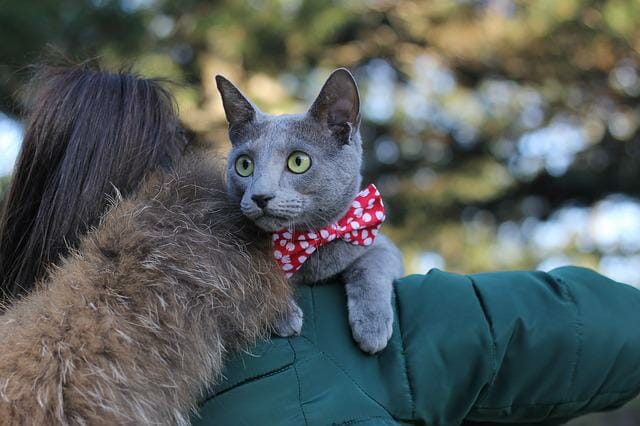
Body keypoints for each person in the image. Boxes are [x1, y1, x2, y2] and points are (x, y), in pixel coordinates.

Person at [1, 64, 639, 425]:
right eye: (245, 166)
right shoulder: (330, 340)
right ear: (176, 171)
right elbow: (576, 324)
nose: (264, 188)